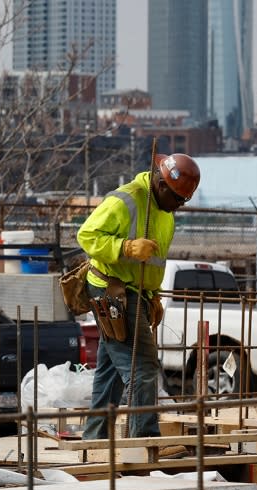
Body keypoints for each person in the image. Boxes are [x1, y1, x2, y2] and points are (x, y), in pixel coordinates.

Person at [77, 153, 200, 458]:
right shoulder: (127, 200)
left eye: (185, 200)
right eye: (177, 198)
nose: (180, 205)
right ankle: (146, 441)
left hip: (136, 292)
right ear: (160, 184)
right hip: (112, 289)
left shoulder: (165, 213)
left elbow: (155, 263)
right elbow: (87, 235)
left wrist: (154, 294)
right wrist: (127, 248)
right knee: (142, 367)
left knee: (110, 369)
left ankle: (94, 438)